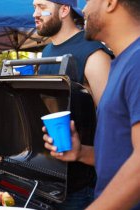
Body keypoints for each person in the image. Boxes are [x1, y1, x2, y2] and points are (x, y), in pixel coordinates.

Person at [43, 0, 140, 209]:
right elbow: (123, 154)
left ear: (110, 3)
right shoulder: (122, 62)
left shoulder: (137, 62)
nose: (84, 9)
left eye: (88, 1)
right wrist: (81, 153)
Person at [32, 0, 113, 209]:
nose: (35, 13)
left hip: (81, 188)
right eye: (34, 7)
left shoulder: (93, 53)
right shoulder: (46, 52)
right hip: (47, 180)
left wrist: (83, 153)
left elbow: (115, 128)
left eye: (41, 6)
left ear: (65, 10)